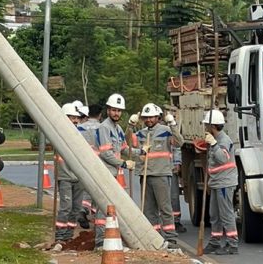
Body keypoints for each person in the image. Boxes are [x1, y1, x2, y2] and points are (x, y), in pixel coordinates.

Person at [132, 103, 183, 245]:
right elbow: (127, 143)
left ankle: (170, 237)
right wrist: (130, 126)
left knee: (165, 208)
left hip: (161, 174)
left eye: (151, 117)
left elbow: (179, 142)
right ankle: (153, 237)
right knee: (149, 210)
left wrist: (172, 124)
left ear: (158, 117)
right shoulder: (141, 133)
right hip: (145, 174)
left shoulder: (166, 131)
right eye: (146, 117)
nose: (148, 120)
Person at [92, 93, 134, 249]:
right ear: (108, 110)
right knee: (104, 208)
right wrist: (123, 164)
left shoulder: (117, 128)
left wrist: (141, 152)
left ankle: (110, 238)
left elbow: (124, 148)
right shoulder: (104, 127)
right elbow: (105, 153)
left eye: (119, 110)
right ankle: (99, 241)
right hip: (105, 173)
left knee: (111, 206)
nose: (117, 113)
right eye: (114, 110)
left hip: (114, 173)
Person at [202, 108, 239, 255]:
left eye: (207, 125)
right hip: (216, 182)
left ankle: (232, 244)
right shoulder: (215, 140)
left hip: (225, 183)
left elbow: (223, 158)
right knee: (214, 214)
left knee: (226, 214)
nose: (205, 128)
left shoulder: (223, 140)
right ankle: (215, 242)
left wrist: (214, 145)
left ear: (213, 126)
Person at [54, 103, 85, 244]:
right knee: (66, 207)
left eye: (76, 118)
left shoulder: (79, 134)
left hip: (78, 177)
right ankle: (60, 236)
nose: (75, 120)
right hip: (65, 176)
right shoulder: (58, 134)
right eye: (72, 117)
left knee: (76, 208)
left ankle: (69, 235)